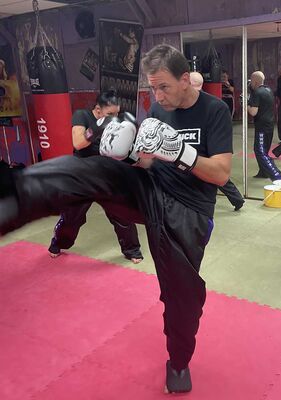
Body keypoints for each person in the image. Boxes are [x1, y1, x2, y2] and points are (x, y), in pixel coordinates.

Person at [0, 44, 233, 393]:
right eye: (152, 87)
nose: (157, 95)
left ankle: (179, 362)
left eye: (164, 86)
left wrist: (181, 152)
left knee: (182, 295)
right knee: (93, 168)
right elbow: (148, 161)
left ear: (185, 80)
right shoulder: (157, 108)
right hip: (150, 189)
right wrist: (128, 155)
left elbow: (221, 174)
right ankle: (13, 196)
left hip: (189, 211)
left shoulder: (214, 110)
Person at [48, 90, 143, 263]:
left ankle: (132, 250)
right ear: (98, 110)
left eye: (117, 113)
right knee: (72, 217)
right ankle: (58, 242)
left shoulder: (119, 122)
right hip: (82, 176)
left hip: (107, 175)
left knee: (122, 213)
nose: (114, 117)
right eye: (110, 114)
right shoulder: (82, 116)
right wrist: (98, 128)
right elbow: (77, 143)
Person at [190, 71, 244, 211]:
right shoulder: (207, 104)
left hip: (206, 144)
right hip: (202, 142)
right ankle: (237, 199)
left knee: (215, 173)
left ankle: (237, 199)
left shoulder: (210, 105)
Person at [247, 71, 281, 181]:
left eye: (251, 80)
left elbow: (253, 112)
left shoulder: (257, 93)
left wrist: (245, 104)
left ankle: (278, 177)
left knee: (260, 151)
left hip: (262, 127)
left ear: (255, 81)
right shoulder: (268, 90)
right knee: (263, 150)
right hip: (269, 125)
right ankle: (263, 172)